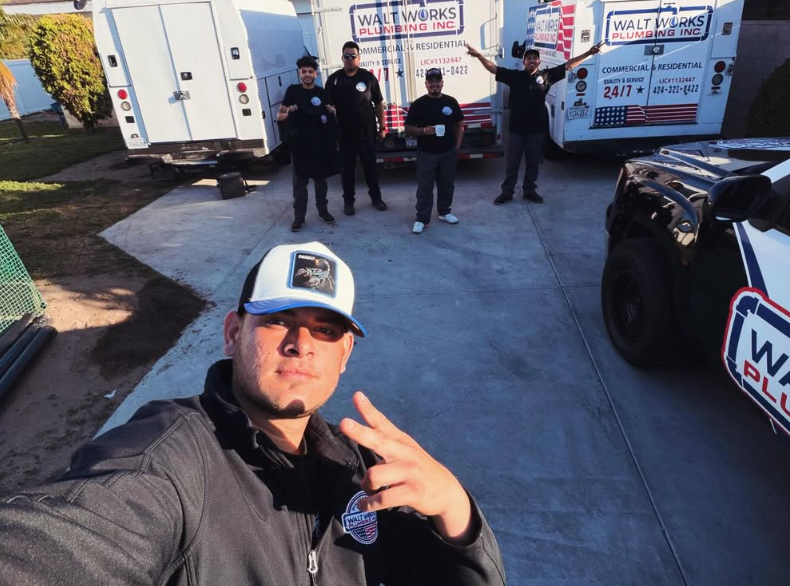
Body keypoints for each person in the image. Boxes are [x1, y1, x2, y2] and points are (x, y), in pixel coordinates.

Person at [0, 241, 506, 585]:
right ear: (233, 333)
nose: (301, 344)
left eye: (325, 330)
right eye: (278, 320)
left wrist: (456, 514)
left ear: (344, 354)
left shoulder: (360, 469)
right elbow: (64, 537)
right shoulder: (170, 462)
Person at [466, 41, 602, 204]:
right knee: (512, 164)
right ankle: (507, 192)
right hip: (516, 130)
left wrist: (588, 53)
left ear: (539, 62)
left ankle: (529, 190)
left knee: (533, 164)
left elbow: (568, 65)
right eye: (528, 58)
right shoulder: (514, 76)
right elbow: (493, 68)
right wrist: (480, 56)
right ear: (524, 62)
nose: (531, 61)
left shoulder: (546, 77)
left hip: (536, 131)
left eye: (534, 59)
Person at [278, 56, 341, 232]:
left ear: (316, 74)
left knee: (321, 183)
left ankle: (323, 211)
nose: (307, 74)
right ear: (299, 73)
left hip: (320, 147)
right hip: (300, 149)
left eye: (310, 72)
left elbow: (332, 116)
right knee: (300, 186)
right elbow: (279, 116)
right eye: (303, 71)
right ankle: (299, 217)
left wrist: (333, 111)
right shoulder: (293, 91)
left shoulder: (322, 93)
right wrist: (288, 112)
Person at [325, 42, 387, 215]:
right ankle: (348, 203)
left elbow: (379, 103)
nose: (350, 59)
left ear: (359, 58)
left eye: (353, 56)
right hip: (344, 135)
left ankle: (376, 198)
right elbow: (326, 105)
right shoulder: (334, 80)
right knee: (347, 171)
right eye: (347, 56)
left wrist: (382, 127)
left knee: (371, 169)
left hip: (366, 133)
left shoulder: (368, 77)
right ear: (342, 58)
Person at [404, 68, 464, 234]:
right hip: (426, 153)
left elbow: (460, 125)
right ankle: (422, 218)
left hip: (447, 152)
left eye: (437, 81)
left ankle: (444, 212)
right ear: (426, 84)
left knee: (447, 184)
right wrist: (423, 131)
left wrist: (456, 147)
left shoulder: (451, 102)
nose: (434, 84)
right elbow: (408, 128)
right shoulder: (418, 104)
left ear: (442, 83)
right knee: (425, 187)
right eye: (431, 81)